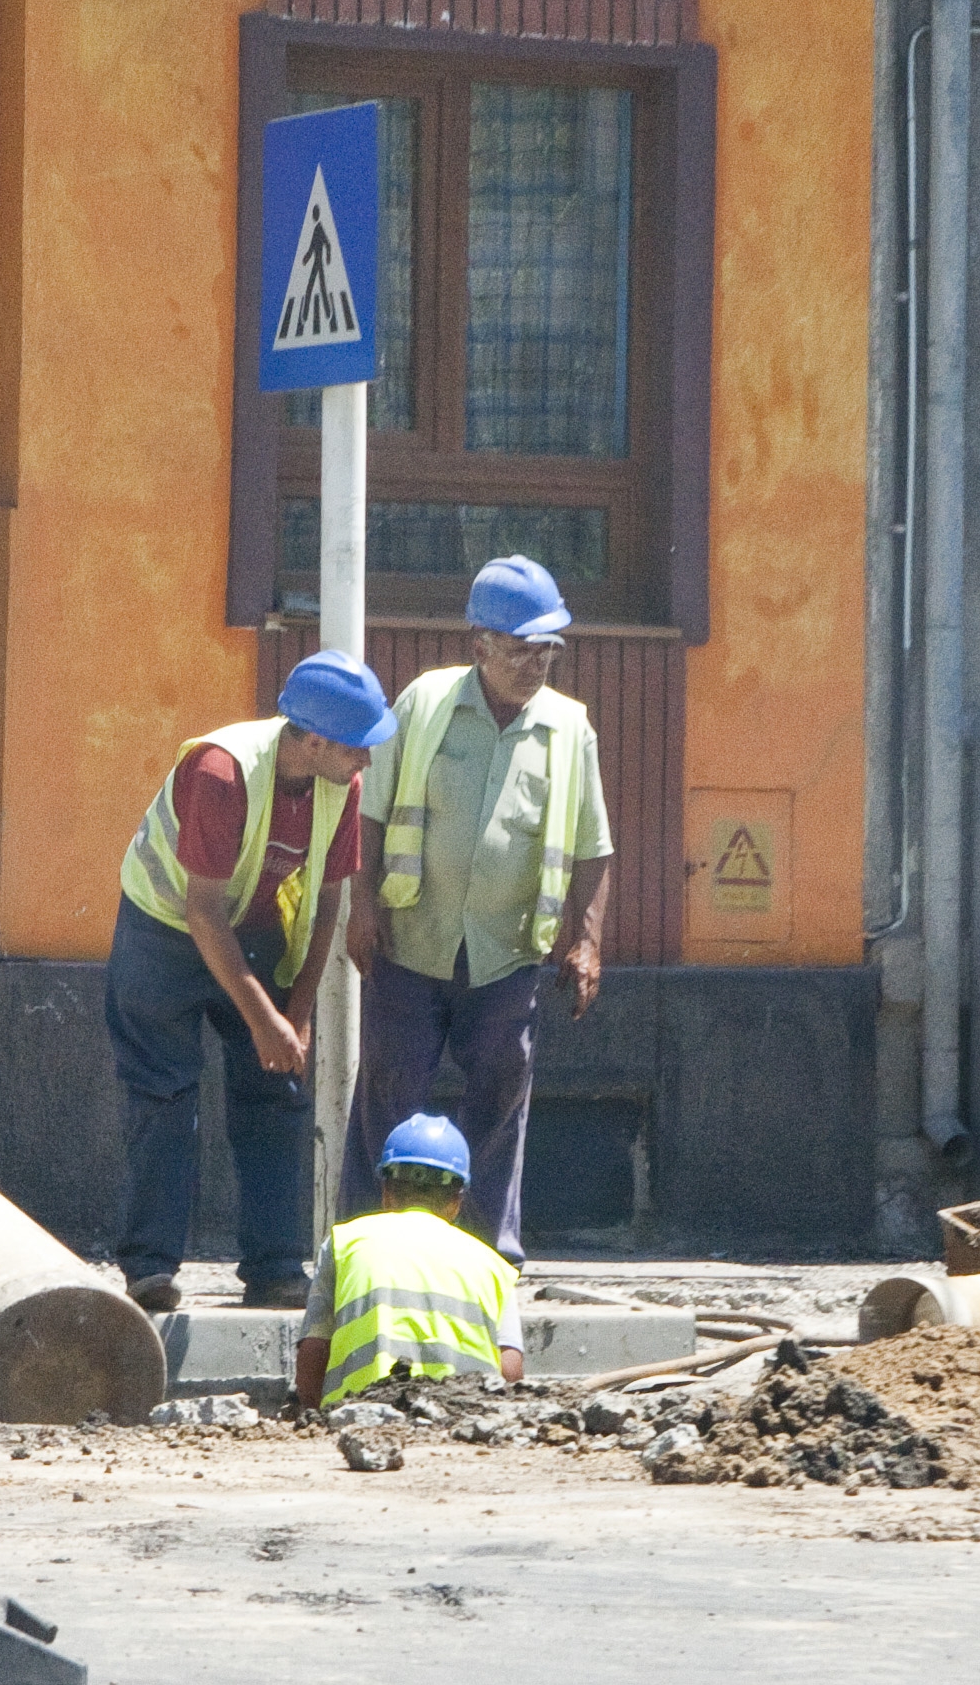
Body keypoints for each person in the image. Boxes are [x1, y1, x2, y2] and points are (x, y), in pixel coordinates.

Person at [105, 650, 398, 1316]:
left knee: (277, 1094)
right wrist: (261, 1017)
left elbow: (329, 904)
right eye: (359, 745)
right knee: (163, 1095)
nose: (368, 762)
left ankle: (274, 1268)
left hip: (257, 931)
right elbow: (202, 913)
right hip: (164, 933)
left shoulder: (340, 784)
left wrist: (296, 1014)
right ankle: (150, 1270)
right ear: (314, 739)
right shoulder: (220, 771)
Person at [340, 554, 614, 1261]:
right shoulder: (423, 704)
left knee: (500, 1089)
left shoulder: (568, 730)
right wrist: (361, 905)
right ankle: (367, 1246)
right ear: (479, 645)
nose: (536, 663)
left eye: (547, 648)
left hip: (507, 952)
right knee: (388, 1087)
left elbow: (592, 848)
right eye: (521, 648)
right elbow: (367, 814)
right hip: (409, 940)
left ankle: (487, 1254)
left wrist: (586, 942)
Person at [296, 1112, 527, 1409]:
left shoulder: (345, 1242)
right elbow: (510, 1370)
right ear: (457, 1201)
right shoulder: (492, 1265)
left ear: (386, 1192)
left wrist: (314, 1413)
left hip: (362, 1411)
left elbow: (314, 1349)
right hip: (465, 1417)